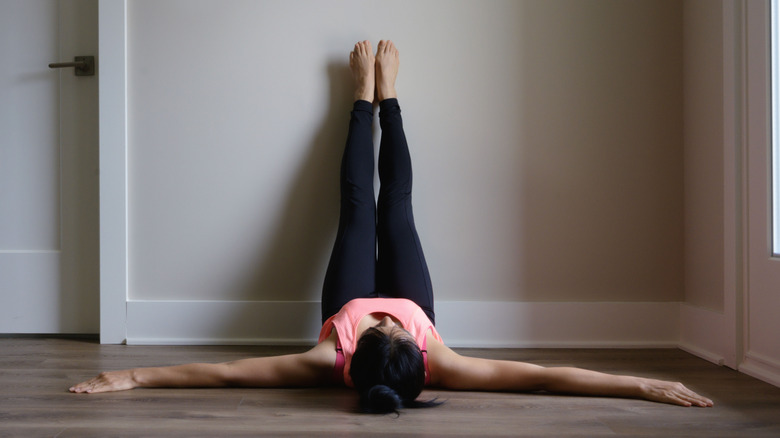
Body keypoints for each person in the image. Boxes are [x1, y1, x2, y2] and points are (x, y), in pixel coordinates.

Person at [70, 40, 714, 414]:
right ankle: (392, 98)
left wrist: (136, 375)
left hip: (337, 300)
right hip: (420, 296)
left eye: (382, 327)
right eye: (391, 326)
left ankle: (359, 98)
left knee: (358, 205)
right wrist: (641, 384)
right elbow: (545, 375)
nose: (386, 316)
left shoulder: (329, 356)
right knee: (397, 205)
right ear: (422, 357)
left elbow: (226, 374)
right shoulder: (439, 357)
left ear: (351, 356)